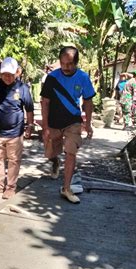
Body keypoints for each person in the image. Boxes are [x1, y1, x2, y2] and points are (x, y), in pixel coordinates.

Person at [40, 46, 95, 204]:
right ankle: (55, 161)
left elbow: (88, 101)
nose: (66, 67)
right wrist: (45, 128)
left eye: (70, 64)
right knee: (51, 153)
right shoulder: (52, 78)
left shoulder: (83, 77)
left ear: (76, 62)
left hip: (73, 122)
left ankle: (66, 188)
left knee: (71, 153)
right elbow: (45, 102)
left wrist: (88, 124)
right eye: (63, 63)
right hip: (53, 122)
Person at [0, 57, 34, 199]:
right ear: (0, 73)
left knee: (14, 160)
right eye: (4, 74)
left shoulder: (23, 88)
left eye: (10, 74)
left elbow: (29, 109)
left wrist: (30, 126)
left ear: (17, 72)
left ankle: (10, 187)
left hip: (15, 132)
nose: (7, 77)